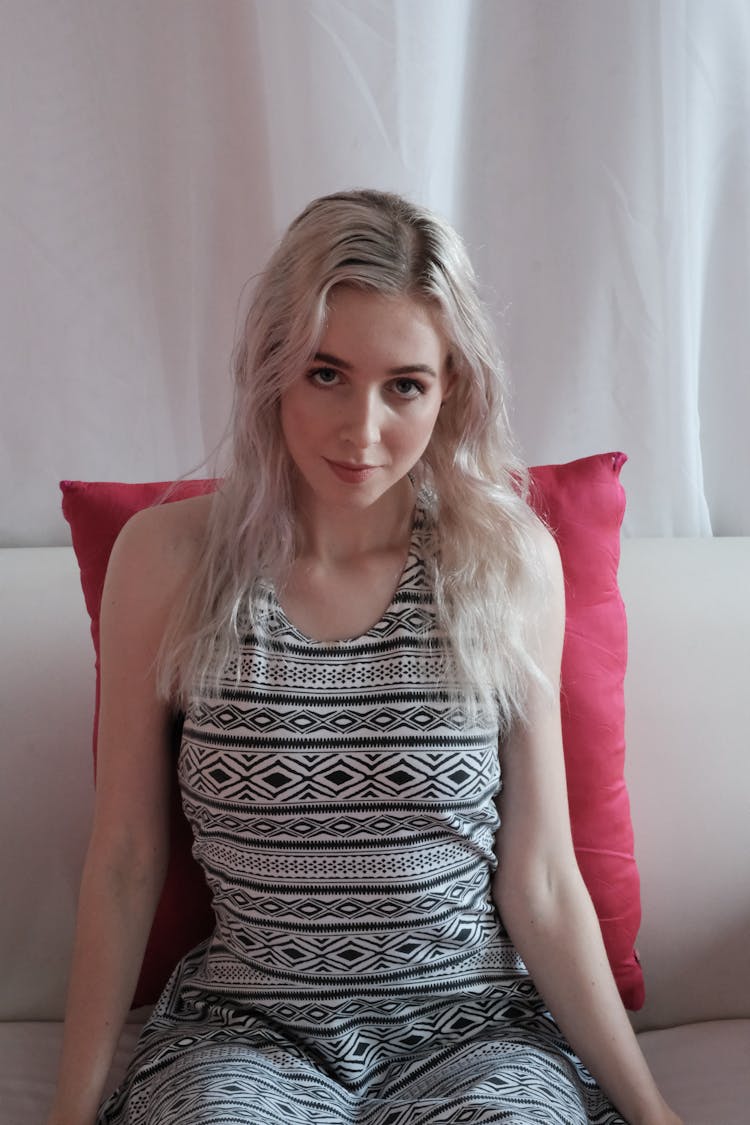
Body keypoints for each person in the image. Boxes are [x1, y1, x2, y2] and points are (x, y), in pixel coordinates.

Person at [47, 190, 682, 1125]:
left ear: (452, 387)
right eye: (327, 374)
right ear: (273, 368)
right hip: (245, 1032)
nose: (363, 431)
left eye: (406, 385)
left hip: (473, 1031)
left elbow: (541, 877)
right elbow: (127, 859)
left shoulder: (509, 563)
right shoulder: (167, 559)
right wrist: (70, 1111)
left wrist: (652, 1110)